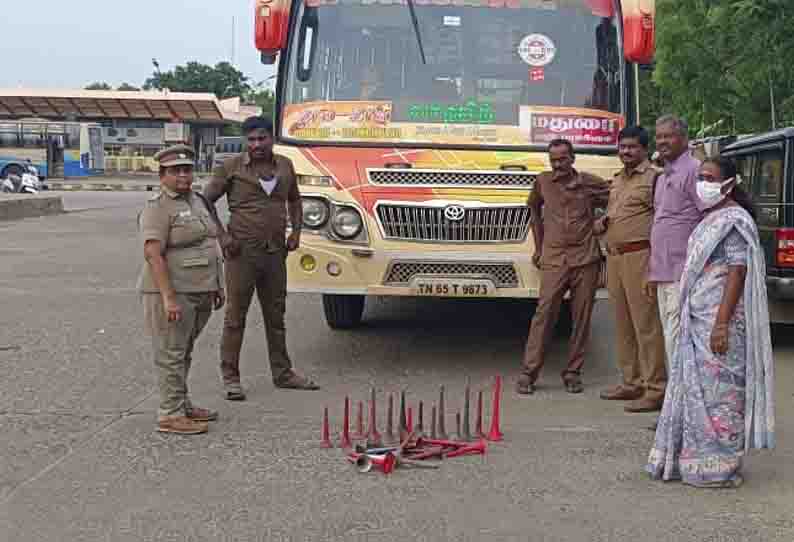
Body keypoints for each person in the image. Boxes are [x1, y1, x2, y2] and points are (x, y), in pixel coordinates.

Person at [646, 156, 775, 488]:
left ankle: (719, 466)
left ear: (729, 184)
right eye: (699, 176)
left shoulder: (734, 220)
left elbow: (737, 271)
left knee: (721, 397)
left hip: (721, 322)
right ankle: (693, 461)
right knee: (695, 391)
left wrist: (720, 323)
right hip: (697, 318)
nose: (702, 183)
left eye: (709, 177)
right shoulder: (709, 218)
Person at [204, 116, 320, 401]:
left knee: (276, 315)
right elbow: (205, 201)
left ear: (271, 139)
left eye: (262, 138)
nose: (256, 144)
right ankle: (231, 377)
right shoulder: (230, 168)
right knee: (235, 317)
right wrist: (222, 236)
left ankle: (283, 373)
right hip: (241, 253)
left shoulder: (284, 166)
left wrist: (296, 232)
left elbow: (294, 199)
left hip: (275, 253)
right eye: (251, 140)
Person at [137, 144, 226, 434]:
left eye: (187, 169)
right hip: (172, 292)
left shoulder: (198, 201)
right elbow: (153, 254)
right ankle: (169, 413)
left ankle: (182, 403)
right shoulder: (157, 208)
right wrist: (168, 298)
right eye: (175, 171)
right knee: (171, 352)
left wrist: (218, 284)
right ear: (162, 175)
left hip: (200, 289)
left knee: (184, 350)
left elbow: (210, 244)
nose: (183, 176)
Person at [517, 138, 610, 395]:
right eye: (553, 160)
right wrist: (539, 246)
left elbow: (617, 201)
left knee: (581, 317)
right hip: (554, 258)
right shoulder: (543, 182)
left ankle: (572, 372)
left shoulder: (589, 183)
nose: (558, 165)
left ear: (573, 158)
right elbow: (533, 209)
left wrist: (603, 224)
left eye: (562, 159)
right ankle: (529, 372)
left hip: (586, 259)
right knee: (544, 314)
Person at [595, 126, 667, 412]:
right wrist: (602, 223)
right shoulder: (617, 180)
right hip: (615, 258)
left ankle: (656, 388)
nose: (626, 151)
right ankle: (631, 382)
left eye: (632, 147)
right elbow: (616, 215)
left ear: (644, 149)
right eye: (622, 146)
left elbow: (663, 223)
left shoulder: (655, 179)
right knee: (622, 325)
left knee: (646, 326)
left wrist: (656, 265)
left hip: (641, 257)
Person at [645, 115, 706, 427]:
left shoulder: (694, 171)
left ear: (683, 138)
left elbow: (707, 217)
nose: (662, 142)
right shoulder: (665, 173)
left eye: (668, 136)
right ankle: (676, 412)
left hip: (684, 274)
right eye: (658, 137)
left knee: (680, 345)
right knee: (672, 344)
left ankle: (682, 415)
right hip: (664, 272)